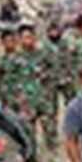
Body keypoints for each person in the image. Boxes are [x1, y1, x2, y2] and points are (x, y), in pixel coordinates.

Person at [17, 23, 59, 151]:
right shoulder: (16, 58)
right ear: (19, 39)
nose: (28, 40)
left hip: (45, 98)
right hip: (27, 102)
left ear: (35, 37)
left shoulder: (45, 54)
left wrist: (50, 88)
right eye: (24, 37)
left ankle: (54, 154)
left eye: (30, 36)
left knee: (50, 130)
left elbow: (55, 71)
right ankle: (34, 157)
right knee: (29, 133)